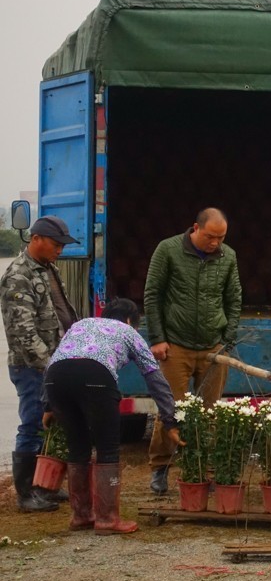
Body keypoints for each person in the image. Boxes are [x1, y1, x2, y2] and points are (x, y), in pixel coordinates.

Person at [44, 299, 183, 534]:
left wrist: (47, 405)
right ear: (130, 321)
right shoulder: (128, 331)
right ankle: (107, 520)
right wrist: (170, 419)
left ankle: (81, 516)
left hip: (55, 379)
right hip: (96, 376)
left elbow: (56, 359)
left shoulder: (81, 324)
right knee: (108, 448)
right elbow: (154, 377)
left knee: (77, 448)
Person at [143, 208, 241, 495]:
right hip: (176, 345)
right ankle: (160, 468)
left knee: (209, 413)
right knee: (169, 411)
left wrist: (227, 339)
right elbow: (152, 294)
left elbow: (234, 298)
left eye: (221, 237)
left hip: (213, 347)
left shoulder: (228, 256)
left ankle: (202, 471)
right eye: (211, 237)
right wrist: (157, 338)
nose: (215, 243)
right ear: (195, 229)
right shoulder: (168, 250)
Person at [1, 215, 80, 513]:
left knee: (53, 423)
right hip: (32, 367)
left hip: (55, 361)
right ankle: (25, 493)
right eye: (56, 244)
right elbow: (23, 333)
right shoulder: (18, 276)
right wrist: (51, 367)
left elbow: (61, 314)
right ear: (36, 239)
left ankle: (44, 484)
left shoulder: (48, 269)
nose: (60, 249)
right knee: (33, 423)